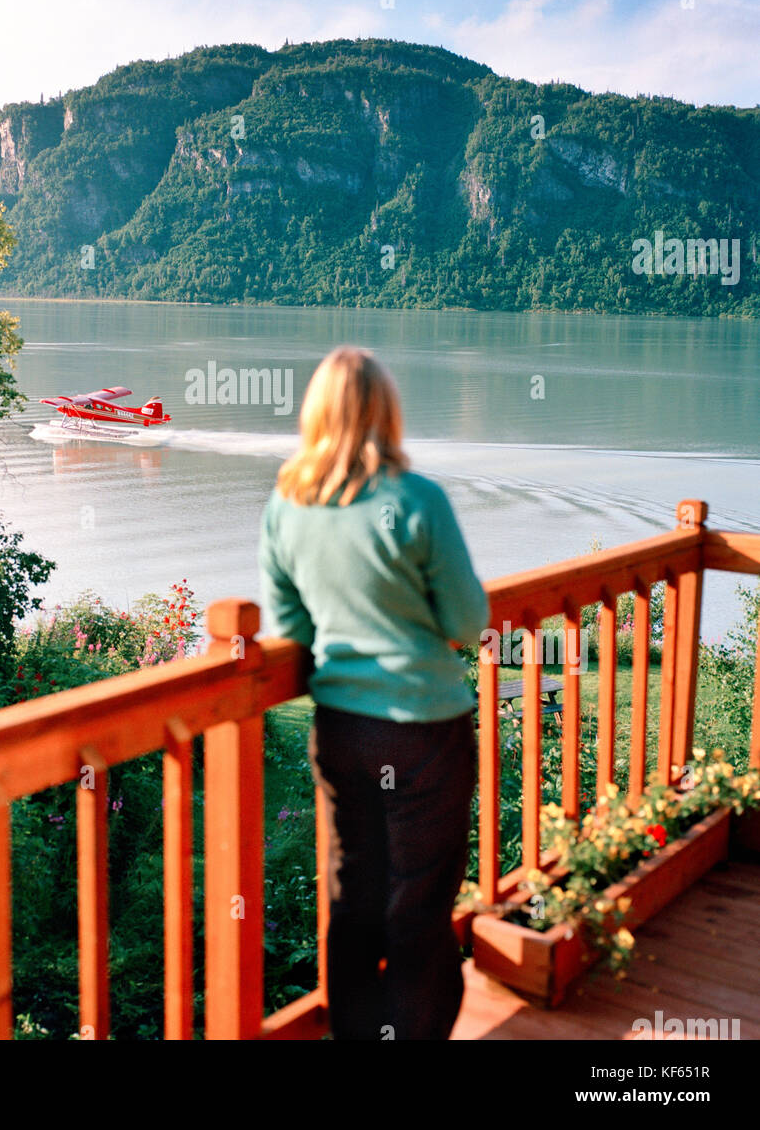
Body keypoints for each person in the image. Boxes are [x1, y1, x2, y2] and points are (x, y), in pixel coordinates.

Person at [257, 346, 489, 1041]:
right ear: (386, 413)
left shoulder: (287, 504)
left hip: (342, 730)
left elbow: (290, 624)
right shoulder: (417, 502)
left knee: (352, 897)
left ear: (316, 413)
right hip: (424, 728)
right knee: (417, 905)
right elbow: (467, 621)